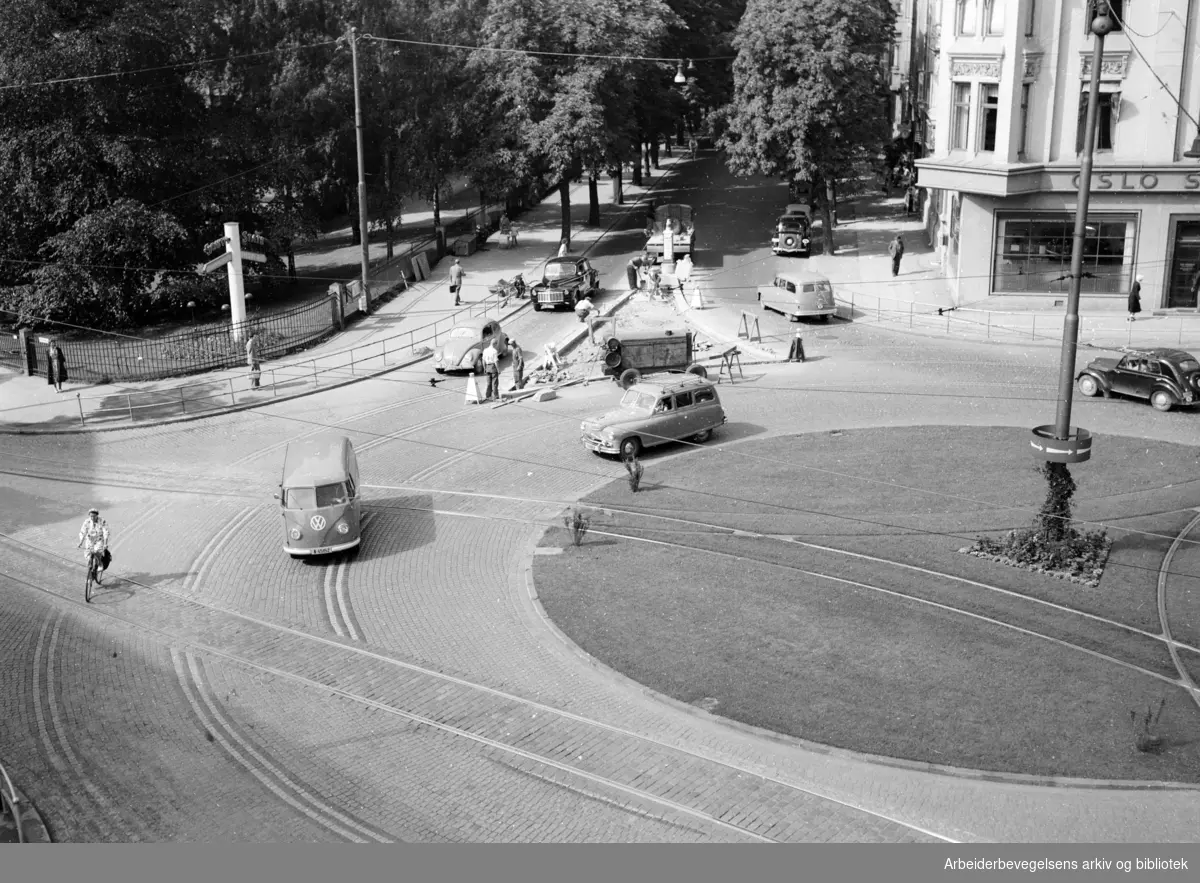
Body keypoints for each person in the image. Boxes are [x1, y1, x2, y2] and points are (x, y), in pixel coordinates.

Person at [77, 507, 110, 584]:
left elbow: (106, 532)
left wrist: (105, 543)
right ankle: (91, 571)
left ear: (97, 516)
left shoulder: (102, 521)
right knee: (88, 556)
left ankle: (100, 564)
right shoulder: (87, 522)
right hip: (89, 541)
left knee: (97, 551)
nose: (92, 517)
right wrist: (80, 542)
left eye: (94, 516)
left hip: (99, 540)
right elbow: (83, 532)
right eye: (91, 516)